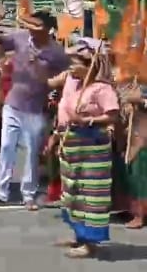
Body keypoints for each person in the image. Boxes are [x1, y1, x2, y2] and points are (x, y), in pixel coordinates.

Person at [0, 10, 69, 210]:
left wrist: (58, 103)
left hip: (35, 109)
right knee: (6, 147)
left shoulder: (56, 52)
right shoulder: (20, 38)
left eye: (36, 26)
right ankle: (0, 193)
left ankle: (28, 194)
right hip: (12, 104)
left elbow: (66, 77)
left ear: (48, 29)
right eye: (30, 25)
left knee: (31, 152)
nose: (31, 29)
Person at [46, 40, 119, 258]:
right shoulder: (75, 86)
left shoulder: (102, 89)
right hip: (73, 145)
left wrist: (88, 120)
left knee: (90, 194)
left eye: (75, 64)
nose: (70, 68)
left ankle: (90, 243)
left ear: (90, 66)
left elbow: (112, 115)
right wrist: (57, 136)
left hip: (93, 147)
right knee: (74, 191)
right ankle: (79, 236)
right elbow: (65, 116)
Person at [118, 80, 147, 229]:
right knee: (132, 175)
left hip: (143, 139)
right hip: (133, 136)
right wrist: (127, 106)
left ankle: (140, 215)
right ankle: (133, 210)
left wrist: (140, 101)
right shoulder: (134, 83)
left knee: (141, 178)